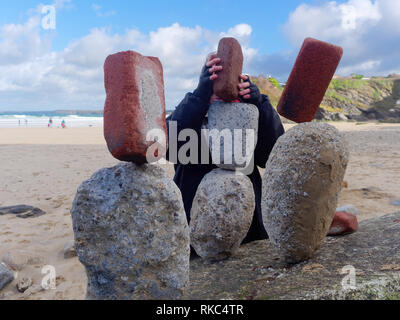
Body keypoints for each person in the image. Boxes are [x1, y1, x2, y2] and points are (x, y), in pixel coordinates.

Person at [166, 53, 285, 246]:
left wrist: (259, 105)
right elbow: (169, 148)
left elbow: (272, 156)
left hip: (248, 223)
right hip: (192, 218)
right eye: (213, 80)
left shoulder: (246, 115)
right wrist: (199, 97)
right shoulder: (190, 110)